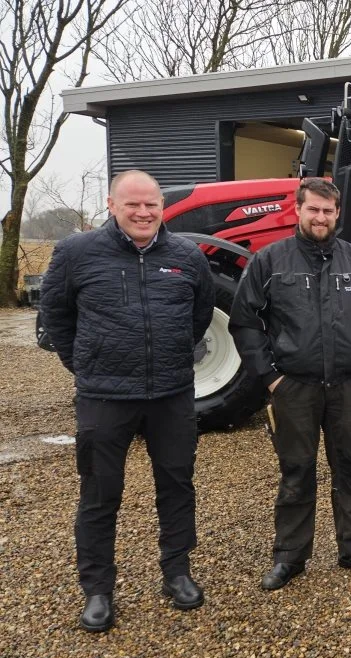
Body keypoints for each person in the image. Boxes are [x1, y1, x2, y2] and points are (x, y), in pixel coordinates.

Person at [39, 170, 215, 632]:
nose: (143, 213)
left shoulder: (187, 256)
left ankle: (177, 573)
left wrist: (172, 357)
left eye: (151, 204)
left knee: (176, 487)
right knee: (100, 494)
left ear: (162, 207)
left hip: (172, 395)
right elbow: (56, 316)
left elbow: (199, 316)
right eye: (132, 204)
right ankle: (97, 589)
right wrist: (86, 363)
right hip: (104, 396)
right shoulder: (76, 253)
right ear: (111, 205)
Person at [229, 177, 351, 591]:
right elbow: (245, 322)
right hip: (293, 388)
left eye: (328, 210)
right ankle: (289, 556)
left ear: (337, 214)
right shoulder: (270, 262)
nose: (320, 217)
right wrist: (271, 377)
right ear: (298, 210)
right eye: (313, 209)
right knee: (296, 470)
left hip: (348, 386)